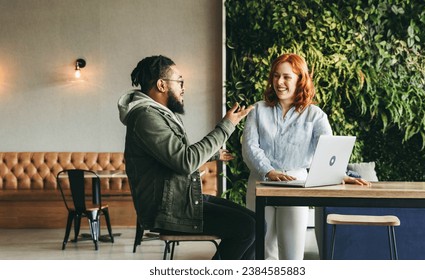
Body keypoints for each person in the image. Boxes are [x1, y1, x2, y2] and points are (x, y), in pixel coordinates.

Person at [117, 55, 256, 260]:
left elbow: (174, 156)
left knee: (255, 221)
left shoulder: (158, 114)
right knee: (247, 227)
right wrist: (226, 125)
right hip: (168, 209)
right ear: (162, 85)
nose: (183, 87)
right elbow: (185, 161)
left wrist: (214, 153)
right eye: (179, 81)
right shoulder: (146, 117)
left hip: (181, 198)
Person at [242, 53, 369, 260]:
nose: (279, 82)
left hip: (296, 186)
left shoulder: (315, 115)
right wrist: (269, 171)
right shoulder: (258, 110)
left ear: (300, 80)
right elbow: (249, 147)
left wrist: (339, 174)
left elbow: (328, 151)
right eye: (275, 76)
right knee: (262, 255)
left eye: (286, 77)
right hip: (260, 183)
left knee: (292, 256)